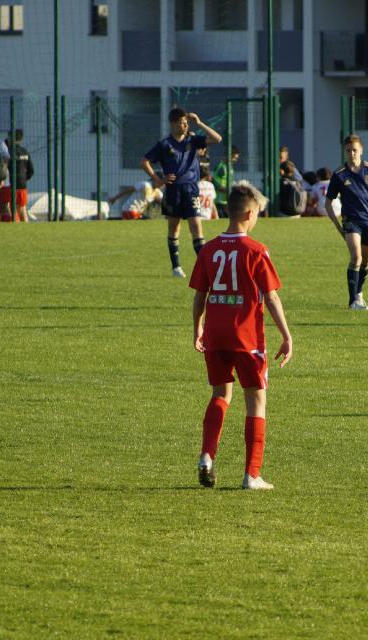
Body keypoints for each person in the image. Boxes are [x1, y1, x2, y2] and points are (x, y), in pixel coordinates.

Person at [189, 182, 293, 490]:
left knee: (220, 395)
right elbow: (271, 297)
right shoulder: (257, 251)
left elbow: (199, 296)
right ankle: (252, 474)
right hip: (247, 338)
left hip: (215, 336)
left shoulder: (208, 249)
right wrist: (286, 335)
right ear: (249, 214)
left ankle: (207, 456)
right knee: (256, 401)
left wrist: (198, 328)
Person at [140, 107, 222, 278]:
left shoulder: (193, 140)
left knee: (196, 226)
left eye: (187, 122)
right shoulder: (164, 144)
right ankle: (176, 267)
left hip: (191, 189)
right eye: (182, 123)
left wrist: (199, 123)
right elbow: (144, 161)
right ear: (173, 124)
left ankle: (206, 269)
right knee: (174, 227)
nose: (186, 125)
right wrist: (158, 180)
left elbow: (217, 139)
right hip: (173, 190)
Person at [325, 135, 368, 310]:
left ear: (361, 150)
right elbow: (328, 203)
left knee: (366, 260)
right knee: (356, 257)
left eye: (354, 150)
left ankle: (358, 293)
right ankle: (353, 301)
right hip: (351, 222)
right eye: (348, 150)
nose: (351, 153)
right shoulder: (339, 174)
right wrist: (338, 225)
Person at [6, 129, 34, 223]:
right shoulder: (25, 152)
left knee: (12, 208)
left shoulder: (8, 152)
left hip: (11, 184)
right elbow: (31, 171)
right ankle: (25, 227)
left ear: (11, 138)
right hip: (22, 184)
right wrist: (24, 178)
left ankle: (16, 225)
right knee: (22, 209)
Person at [213, 146, 239, 218]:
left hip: (226, 200)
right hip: (219, 201)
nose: (235, 160)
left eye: (236, 158)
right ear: (227, 156)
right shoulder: (221, 167)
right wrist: (229, 190)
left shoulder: (230, 167)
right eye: (234, 157)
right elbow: (216, 183)